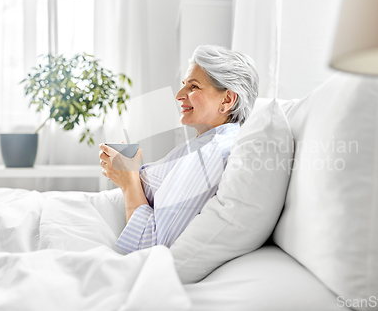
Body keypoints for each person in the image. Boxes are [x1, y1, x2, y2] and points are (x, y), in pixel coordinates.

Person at [98, 45, 259, 253]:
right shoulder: (206, 145)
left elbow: (151, 246)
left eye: (193, 87)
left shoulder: (211, 154)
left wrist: (128, 180)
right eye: (184, 84)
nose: (179, 95)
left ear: (227, 100)